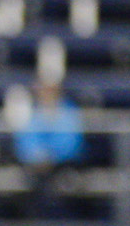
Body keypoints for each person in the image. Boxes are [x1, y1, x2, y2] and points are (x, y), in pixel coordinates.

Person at [12, 80, 85, 218]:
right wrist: (37, 156)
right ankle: (32, 224)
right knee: (29, 183)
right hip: (36, 166)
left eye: (50, 90)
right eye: (44, 89)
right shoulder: (32, 111)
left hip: (64, 165)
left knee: (65, 184)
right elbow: (25, 141)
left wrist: (52, 156)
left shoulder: (69, 111)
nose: (46, 93)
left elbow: (72, 143)